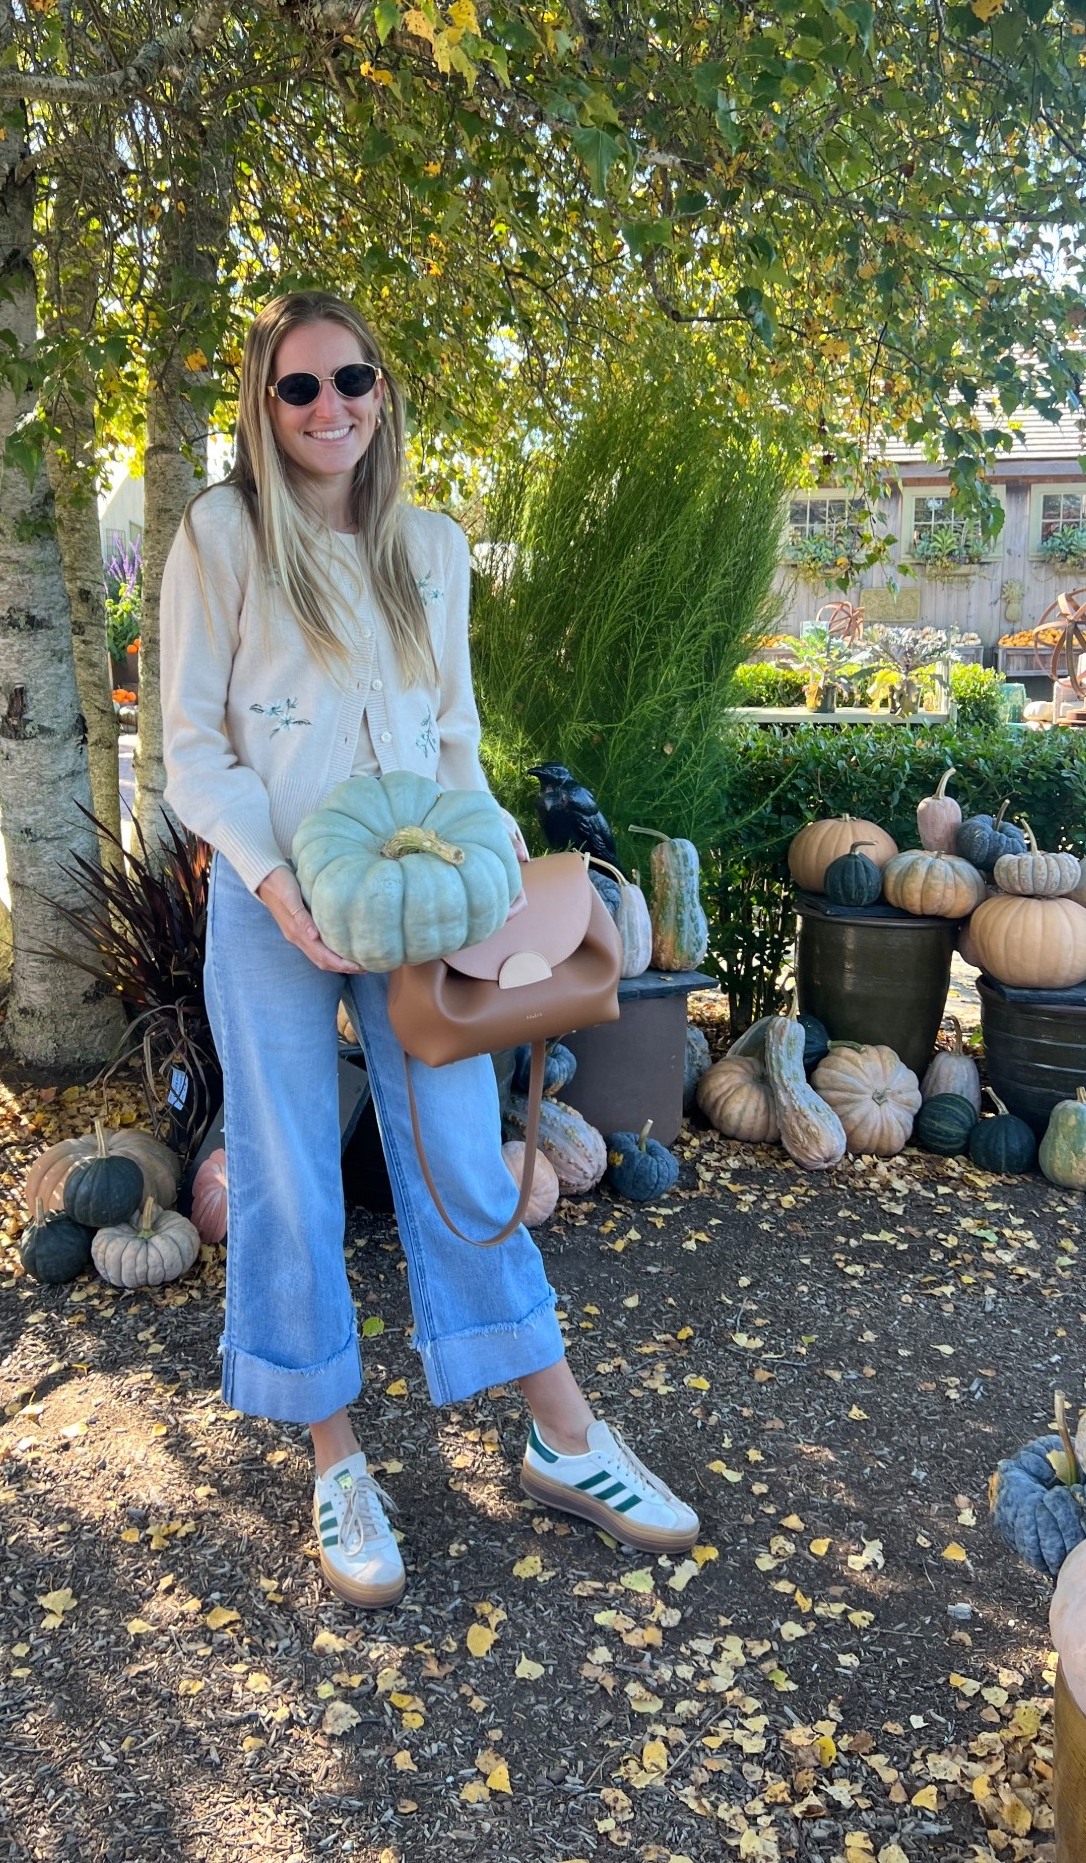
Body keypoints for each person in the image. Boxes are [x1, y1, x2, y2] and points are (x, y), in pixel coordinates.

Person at [161, 290, 698, 1607]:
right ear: (265, 403)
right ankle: (336, 1458)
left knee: (464, 1155)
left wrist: (495, 837)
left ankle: (564, 1435)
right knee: (285, 1171)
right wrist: (280, 881)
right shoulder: (223, 536)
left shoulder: (435, 547)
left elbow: (450, 737)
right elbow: (191, 748)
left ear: (383, 390)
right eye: (299, 388)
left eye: (352, 379)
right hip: (275, 898)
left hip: (420, 896)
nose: (329, 407)